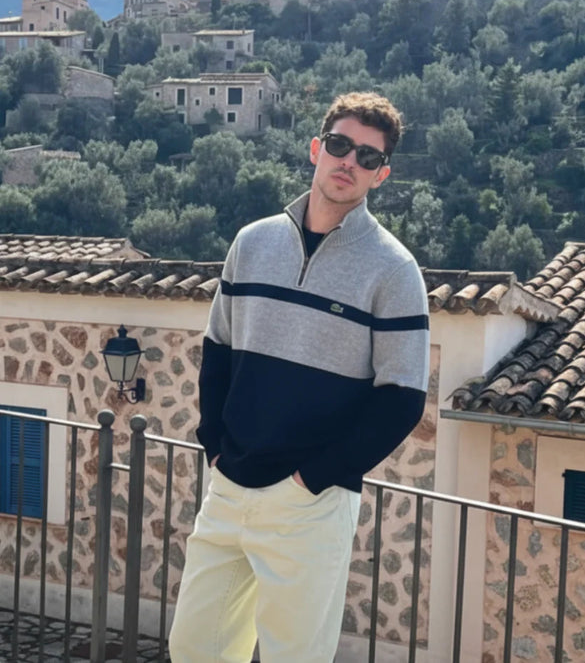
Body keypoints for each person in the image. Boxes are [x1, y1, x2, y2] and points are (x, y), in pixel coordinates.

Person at [169, 91, 430, 663]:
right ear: (316, 148)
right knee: (193, 648)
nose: (349, 161)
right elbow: (218, 350)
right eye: (339, 145)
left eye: (367, 156)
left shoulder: (394, 270)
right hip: (230, 486)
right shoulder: (252, 242)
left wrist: (312, 479)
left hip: (310, 504)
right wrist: (214, 445)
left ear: (381, 174)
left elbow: (403, 398)